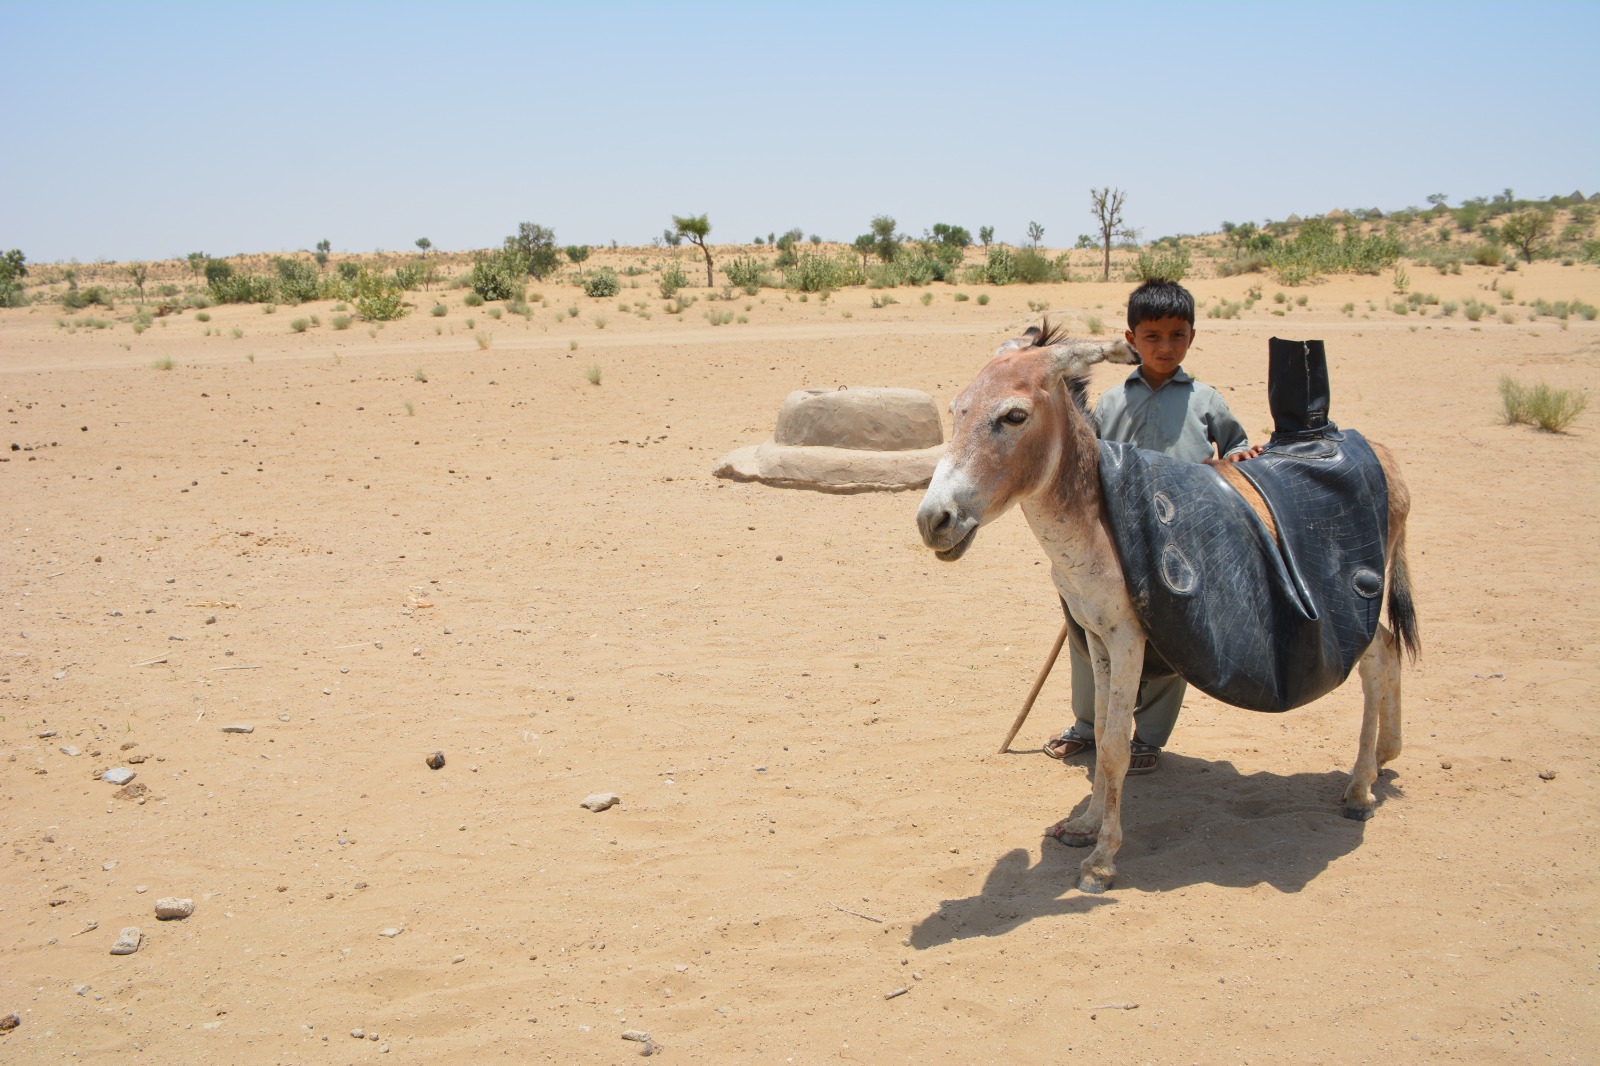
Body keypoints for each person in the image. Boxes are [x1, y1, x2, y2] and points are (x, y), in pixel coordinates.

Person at [1042, 278, 1262, 774]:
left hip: (1180, 540)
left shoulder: (1207, 401)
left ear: (1191, 336)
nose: (1166, 347)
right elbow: (1085, 465)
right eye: (1153, 336)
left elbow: (1236, 452)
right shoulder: (1113, 402)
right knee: (1087, 635)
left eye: (1177, 335)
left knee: (1170, 636)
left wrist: (1236, 457)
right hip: (1116, 540)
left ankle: (1149, 738)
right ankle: (1086, 727)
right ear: (1131, 338)